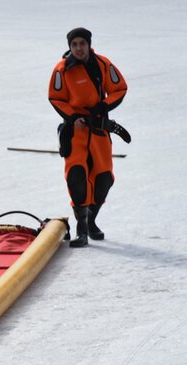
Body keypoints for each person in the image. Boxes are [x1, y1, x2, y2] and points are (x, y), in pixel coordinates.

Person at [48, 27, 127, 247]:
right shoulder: (62, 69)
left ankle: (92, 220)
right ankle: (81, 228)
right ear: (69, 47)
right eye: (74, 45)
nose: (79, 48)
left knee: (104, 179)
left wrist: (103, 106)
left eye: (82, 44)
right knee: (76, 177)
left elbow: (119, 88)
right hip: (76, 133)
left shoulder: (102, 64)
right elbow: (55, 97)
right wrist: (73, 117)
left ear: (89, 44)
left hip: (99, 130)